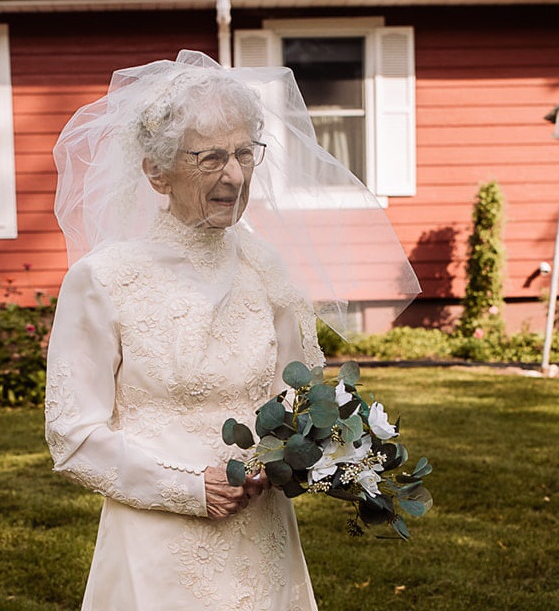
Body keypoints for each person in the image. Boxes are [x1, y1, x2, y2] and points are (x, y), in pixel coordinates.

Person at [46, 50, 418, 611]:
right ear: (156, 170)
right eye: (212, 157)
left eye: (246, 153)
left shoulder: (268, 269)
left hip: (261, 535)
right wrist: (189, 488)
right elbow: (72, 438)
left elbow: (295, 401)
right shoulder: (103, 280)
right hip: (158, 545)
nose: (236, 176)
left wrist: (328, 452)